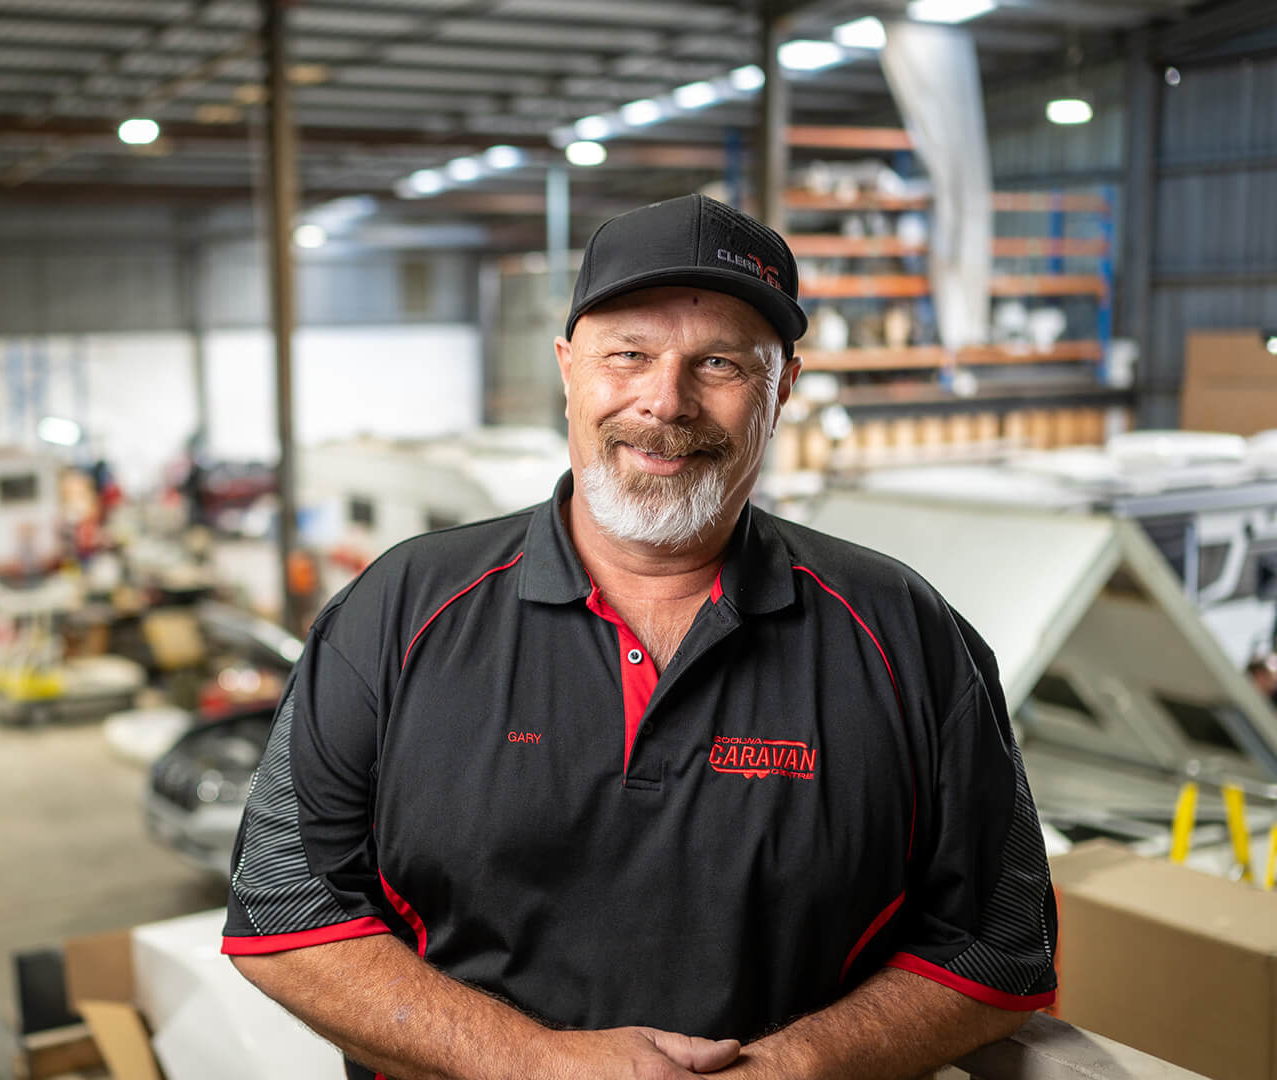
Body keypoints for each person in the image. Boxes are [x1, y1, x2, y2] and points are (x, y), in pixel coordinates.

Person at [221, 194, 1056, 1080]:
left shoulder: (907, 634)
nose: (666, 400)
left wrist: (795, 1067)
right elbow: (283, 907)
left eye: (722, 363)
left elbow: (1000, 943)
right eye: (629, 354)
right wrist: (531, 1063)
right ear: (568, 369)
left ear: (783, 391)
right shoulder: (396, 609)